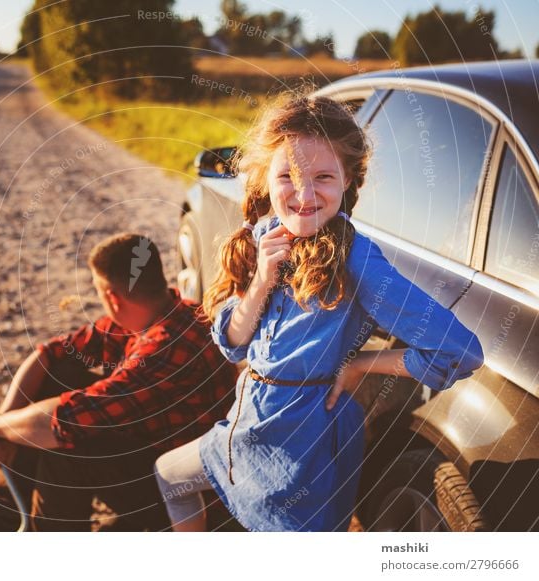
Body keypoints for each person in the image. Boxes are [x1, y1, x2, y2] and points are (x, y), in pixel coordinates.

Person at [153, 95, 486, 532]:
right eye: (287, 176)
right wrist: (261, 281)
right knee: (169, 475)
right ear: (263, 177)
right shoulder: (265, 235)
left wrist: (362, 365)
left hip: (302, 446)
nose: (305, 194)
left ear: (348, 179)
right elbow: (232, 345)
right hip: (247, 423)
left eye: (324, 177)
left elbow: (460, 351)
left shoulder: (357, 261)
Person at [0, 232, 237, 531]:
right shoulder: (166, 310)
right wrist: (3, 422)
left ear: (111, 296)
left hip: (185, 492)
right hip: (153, 453)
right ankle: (3, 517)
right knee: (61, 373)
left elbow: (67, 420)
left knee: (71, 449)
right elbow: (50, 354)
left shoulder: (164, 348)